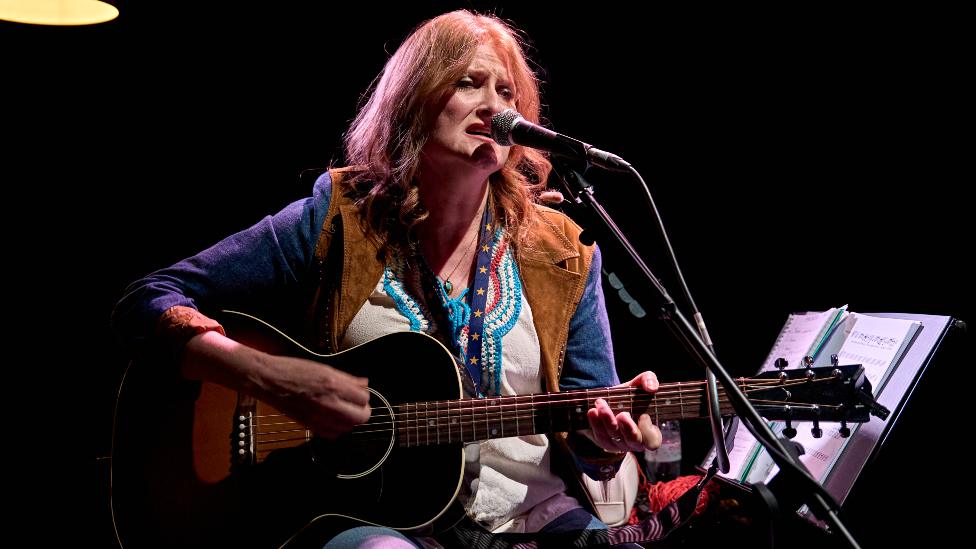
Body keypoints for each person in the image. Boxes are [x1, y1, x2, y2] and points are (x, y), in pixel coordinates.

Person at [112, 9, 662, 548]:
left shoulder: (562, 249)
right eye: (469, 84)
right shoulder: (340, 218)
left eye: (507, 92)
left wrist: (608, 440)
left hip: (533, 518)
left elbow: (590, 419)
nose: (494, 106)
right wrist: (272, 377)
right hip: (377, 519)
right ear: (415, 102)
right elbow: (146, 301)